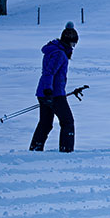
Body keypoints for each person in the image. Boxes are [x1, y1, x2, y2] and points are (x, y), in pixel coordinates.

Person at [30, 22, 79, 152]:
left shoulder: (54, 51)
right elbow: (49, 72)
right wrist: (48, 90)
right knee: (67, 122)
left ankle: (35, 148)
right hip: (53, 94)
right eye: (73, 44)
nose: (73, 47)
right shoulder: (59, 54)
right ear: (67, 42)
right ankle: (66, 150)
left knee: (45, 123)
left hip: (46, 93)